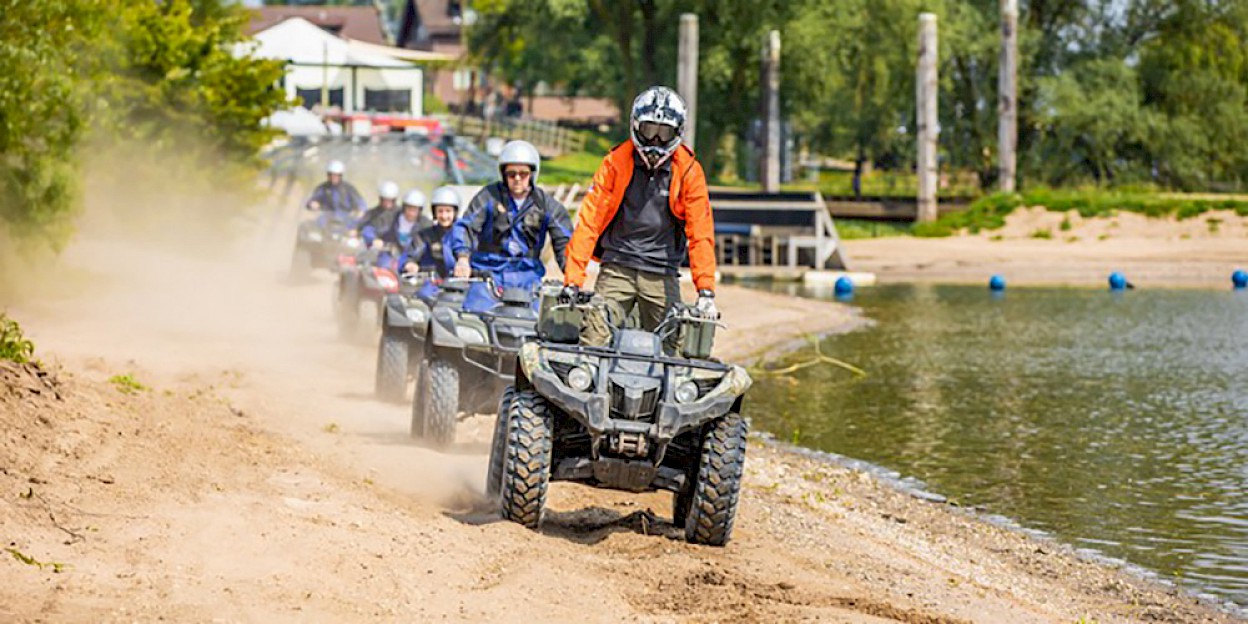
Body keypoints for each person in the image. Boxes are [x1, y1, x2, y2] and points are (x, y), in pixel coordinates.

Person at [561, 86, 719, 345]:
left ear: (676, 133)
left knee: (674, 347)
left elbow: (701, 233)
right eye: (649, 130)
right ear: (636, 126)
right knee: (593, 337)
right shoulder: (614, 162)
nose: (655, 140)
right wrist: (573, 281)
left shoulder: (689, 170)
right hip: (617, 267)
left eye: (664, 132)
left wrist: (706, 292)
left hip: (662, 272)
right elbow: (589, 221)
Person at [450, 140, 572, 298]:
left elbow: (565, 242)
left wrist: (572, 275)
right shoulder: (488, 196)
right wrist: (462, 258)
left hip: (527, 279)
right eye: (511, 173)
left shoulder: (546, 205)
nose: (517, 178)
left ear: (532, 174)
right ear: (503, 174)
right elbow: (465, 227)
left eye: (523, 173)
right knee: (473, 318)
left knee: (539, 319)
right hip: (487, 277)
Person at [401, 186, 460, 278]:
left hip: (459, 283)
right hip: (431, 283)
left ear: (455, 212)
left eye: (448, 211)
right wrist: (410, 264)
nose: (444, 216)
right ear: (434, 213)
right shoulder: (425, 235)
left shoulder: (463, 235)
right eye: (440, 211)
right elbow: (412, 255)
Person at [376, 190, 430, 271]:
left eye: (414, 210)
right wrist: (375, 239)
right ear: (404, 207)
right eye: (409, 209)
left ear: (420, 211)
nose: (411, 213)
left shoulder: (426, 224)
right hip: (390, 254)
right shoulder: (391, 217)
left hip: (412, 259)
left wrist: (412, 262)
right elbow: (373, 229)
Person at [354, 181, 401, 247]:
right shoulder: (373, 212)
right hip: (375, 242)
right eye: (385, 200)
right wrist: (355, 230)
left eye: (390, 200)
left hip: (392, 242)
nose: (387, 203)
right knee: (367, 229)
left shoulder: (400, 213)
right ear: (381, 199)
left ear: (394, 200)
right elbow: (361, 224)